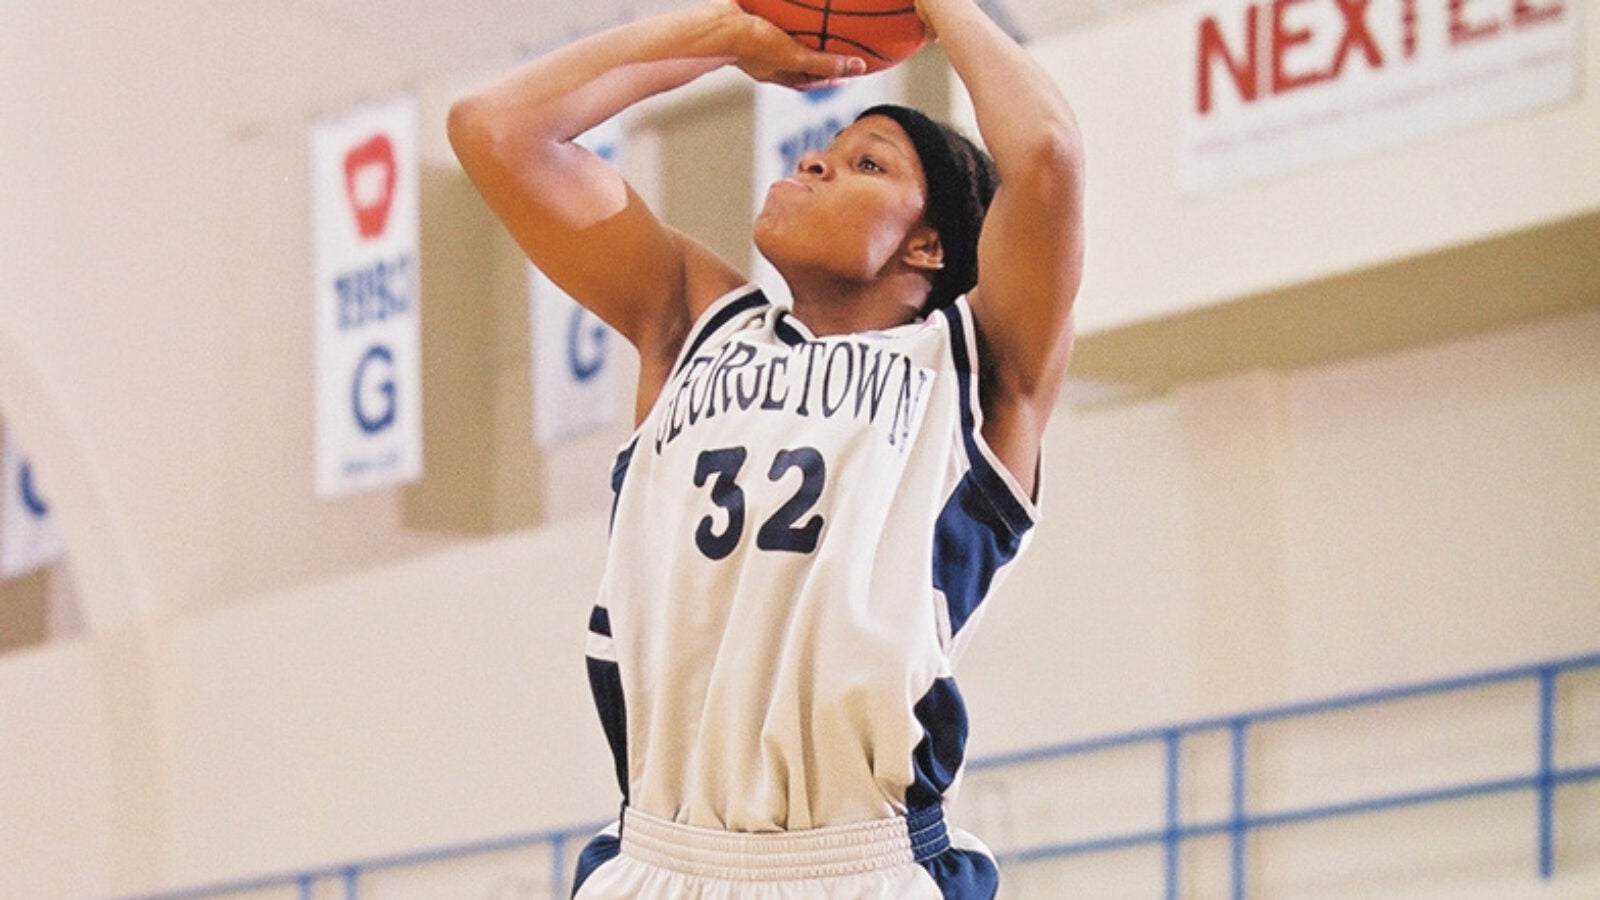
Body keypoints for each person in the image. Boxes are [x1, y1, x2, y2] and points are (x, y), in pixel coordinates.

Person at [449, 0, 1082, 896]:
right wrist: (723, 36)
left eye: (868, 163)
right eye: (825, 146)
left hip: (859, 866)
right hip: (658, 859)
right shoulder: (694, 322)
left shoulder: (975, 369)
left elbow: (1048, 157)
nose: (815, 158)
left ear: (930, 243)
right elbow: (496, 129)